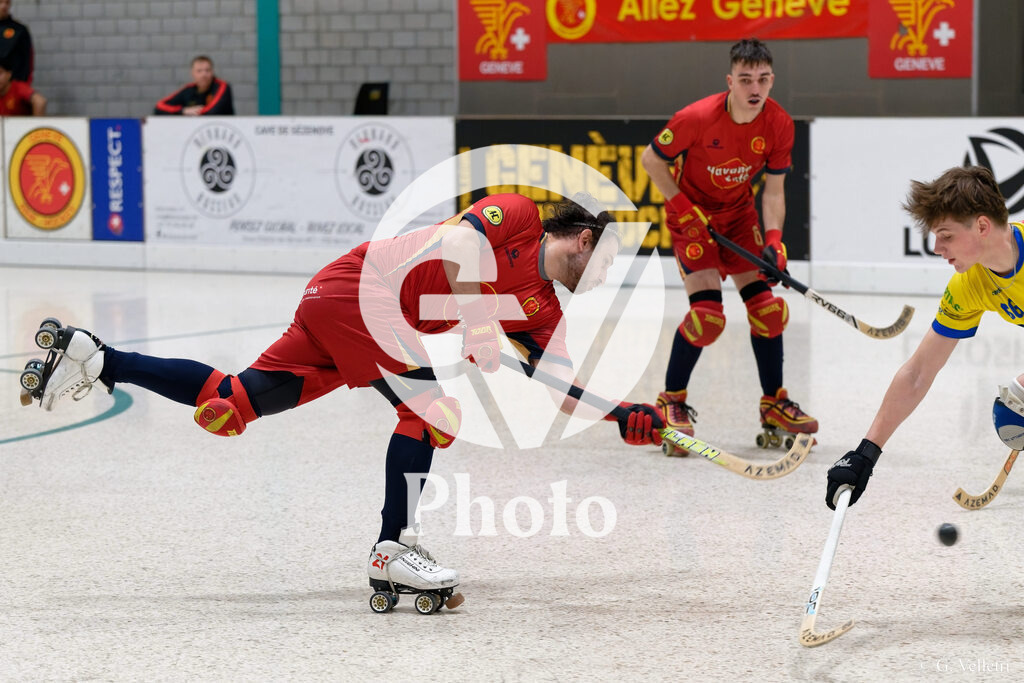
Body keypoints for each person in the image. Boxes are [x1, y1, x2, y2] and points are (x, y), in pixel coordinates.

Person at [23, 193, 663, 606]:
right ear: (583, 237)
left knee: (228, 405)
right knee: (430, 412)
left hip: (358, 319)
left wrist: (623, 415)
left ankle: (98, 357)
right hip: (363, 289)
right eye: (607, 262)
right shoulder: (519, 215)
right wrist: (474, 320)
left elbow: (564, 386)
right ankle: (394, 547)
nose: (607, 275)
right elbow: (462, 242)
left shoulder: (543, 312)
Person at [640, 37, 817, 446]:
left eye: (763, 79)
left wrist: (774, 240)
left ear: (772, 80)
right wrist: (683, 206)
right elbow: (651, 160)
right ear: (730, 81)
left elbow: (773, 191)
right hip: (691, 220)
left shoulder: (779, 124)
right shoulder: (697, 117)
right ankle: (671, 401)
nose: (755, 88)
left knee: (769, 312)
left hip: (738, 219)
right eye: (745, 79)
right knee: (708, 318)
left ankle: (774, 403)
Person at [826, 166, 1024, 509]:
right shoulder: (969, 286)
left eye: (945, 235)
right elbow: (918, 373)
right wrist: (866, 453)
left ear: (981, 226)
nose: (936, 247)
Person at [154, 55, 234, 116]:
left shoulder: (222, 87)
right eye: (199, 71)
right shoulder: (188, 90)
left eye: (207, 70)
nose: (204, 74)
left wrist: (192, 113)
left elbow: (213, 111)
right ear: (192, 73)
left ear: (212, 72)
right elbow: (159, 107)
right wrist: (183, 111)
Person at [0, 0, 33, 84]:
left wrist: (23, 85)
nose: (4, 6)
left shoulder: (19, 30)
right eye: (0, 2)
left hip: (12, 86)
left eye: (7, 2)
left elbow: (27, 61)